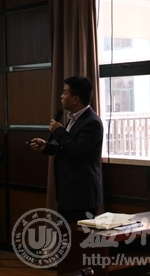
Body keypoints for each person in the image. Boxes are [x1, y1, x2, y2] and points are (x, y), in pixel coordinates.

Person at [26, 75, 103, 224]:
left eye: (64, 92)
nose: (61, 96)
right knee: (64, 236)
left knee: (79, 237)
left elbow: (78, 150)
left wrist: (59, 131)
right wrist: (47, 146)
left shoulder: (92, 122)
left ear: (75, 99)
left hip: (81, 196)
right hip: (67, 193)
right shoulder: (74, 118)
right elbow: (67, 147)